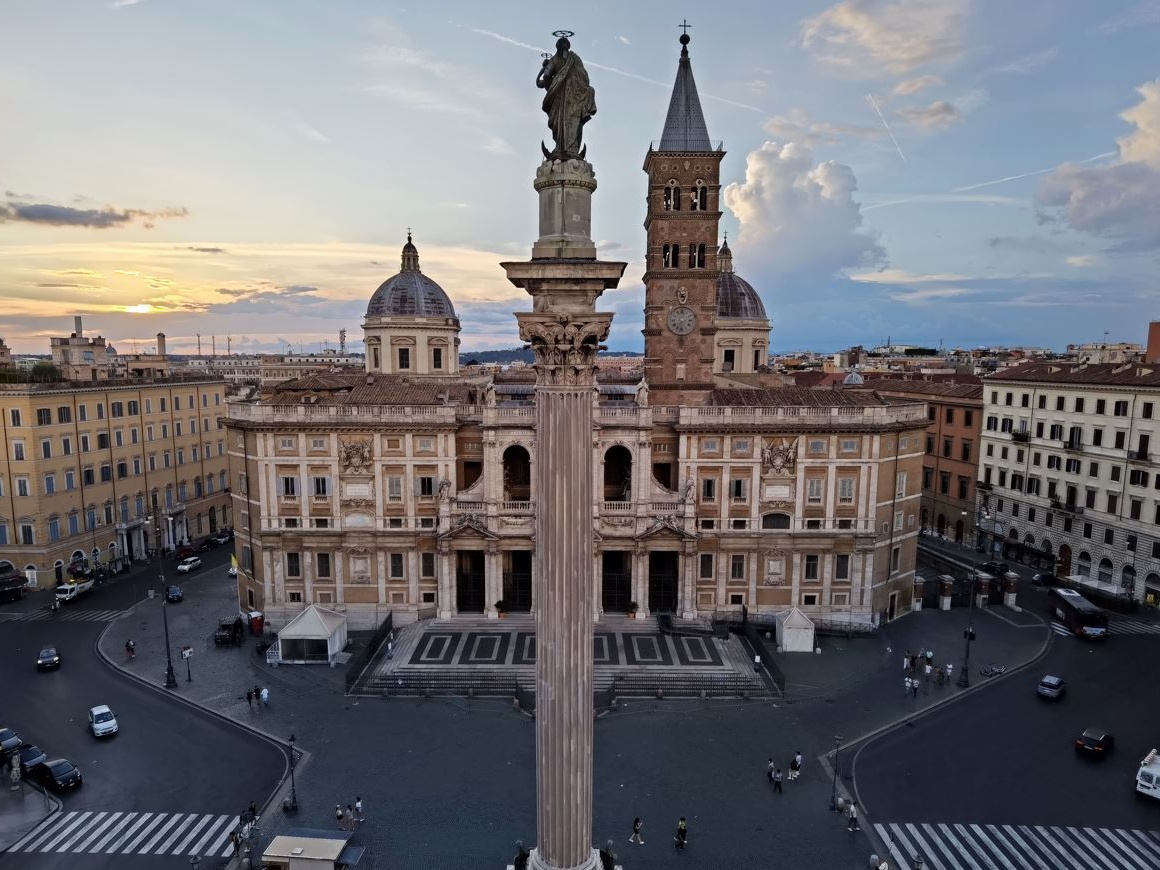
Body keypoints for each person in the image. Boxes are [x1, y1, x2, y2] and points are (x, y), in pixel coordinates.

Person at [536, 35, 597, 160]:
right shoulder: (574, 59)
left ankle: (566, 149)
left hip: (567, 98)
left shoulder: (556, 60)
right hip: (572, 98)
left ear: (557, 47)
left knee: (567, 123)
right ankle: (569, 149)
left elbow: (546, 76)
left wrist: (551, 88)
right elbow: (584, 78)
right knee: (572, 123)